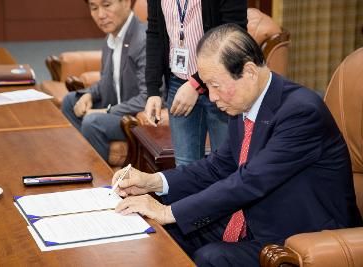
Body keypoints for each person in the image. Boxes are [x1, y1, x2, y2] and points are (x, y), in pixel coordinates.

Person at [112, 24, 363, 266]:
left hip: (303, 233)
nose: (211, 97)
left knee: (209, 256)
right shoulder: (243, 105)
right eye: (207, 86)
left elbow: (250, 181)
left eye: (216, 86)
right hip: (254, 217)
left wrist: (168, 212)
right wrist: (152, 182)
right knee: (162, 234)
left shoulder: (301, 112)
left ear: (250, 72)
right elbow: (217, 167)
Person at [144, 0, 248, 166]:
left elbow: (235, 37)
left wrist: (196, 82)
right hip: (178, 83)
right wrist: (153, 90)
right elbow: (154, 33)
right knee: (185, 166)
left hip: (220, 85)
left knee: (226, 166)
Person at [62, 0, 147, 161]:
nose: (100, 15)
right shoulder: (111, 38)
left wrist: (107, 111)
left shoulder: (143, 39)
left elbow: (148, 97)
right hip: (118, 109)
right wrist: (89, 95)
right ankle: (85, 158)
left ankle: (99, 176)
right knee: (70, 101)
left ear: (127, 3)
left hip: (136, 118)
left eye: (107, 5)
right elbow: (107, 81)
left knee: (92, 122)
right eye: (94, 8)